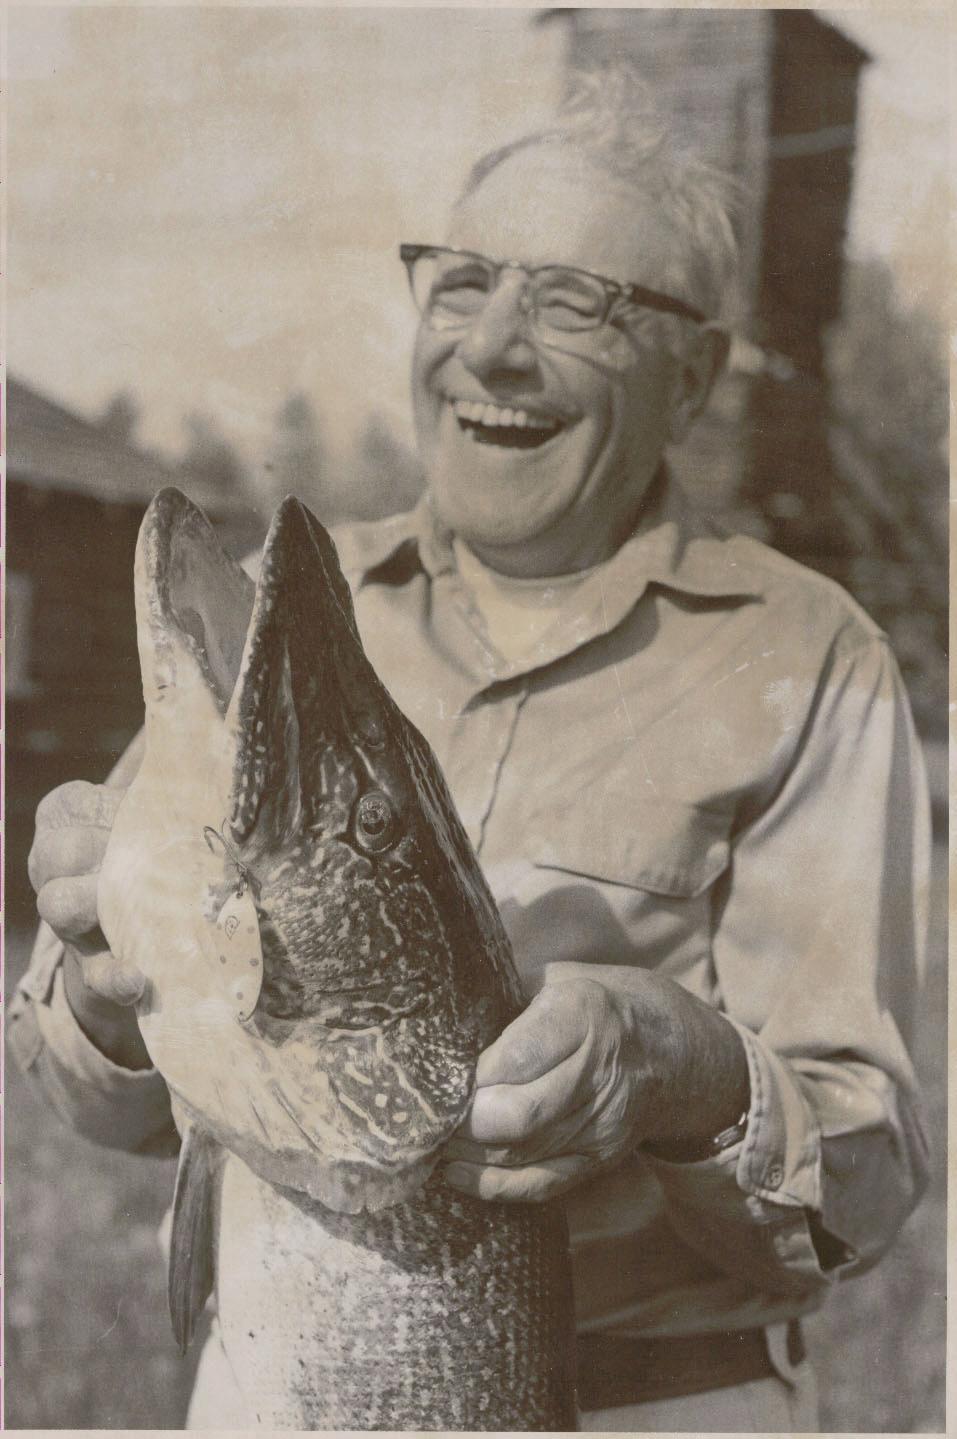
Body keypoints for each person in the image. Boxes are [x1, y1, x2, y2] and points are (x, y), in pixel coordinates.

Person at [11, 76, 930, 1432]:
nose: (492, 347)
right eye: (462, 284)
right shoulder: (291, 614)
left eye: (573, 304)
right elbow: (94, 1095)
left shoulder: (811, 657)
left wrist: (684, 1069)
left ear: (689, 378)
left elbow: (861, 1186)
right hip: (272, 1369)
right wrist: (102, 987)